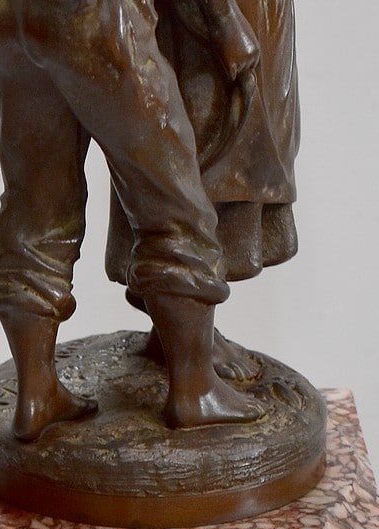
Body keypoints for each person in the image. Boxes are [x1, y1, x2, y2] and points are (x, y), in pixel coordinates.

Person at [0, 0, 263, 440]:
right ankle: (195, 390)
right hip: (93, 15)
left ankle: (37, 394)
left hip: (2, 17)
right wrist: (226, 23)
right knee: (172, 203)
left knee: (35, 208)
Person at [106, 0, 299, 379]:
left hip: (247, 21)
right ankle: (185, 337)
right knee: (199, 162)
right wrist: (224, 22)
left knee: (239, 152)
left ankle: (184, 332)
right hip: (201, 26)